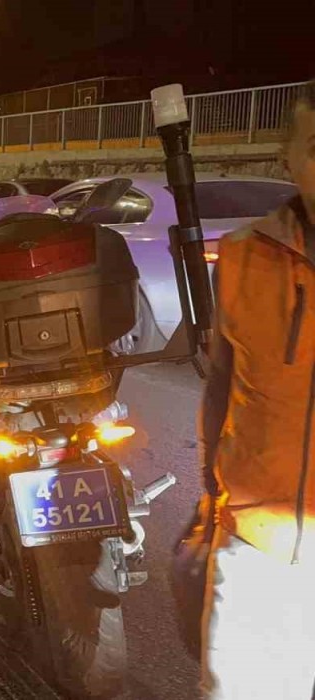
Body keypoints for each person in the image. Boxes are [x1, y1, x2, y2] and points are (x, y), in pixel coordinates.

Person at [198, 80, 315, 699]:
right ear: (288, 159)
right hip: (255, 550)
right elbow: (222, 386)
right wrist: (211, 498)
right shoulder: (243, 256)